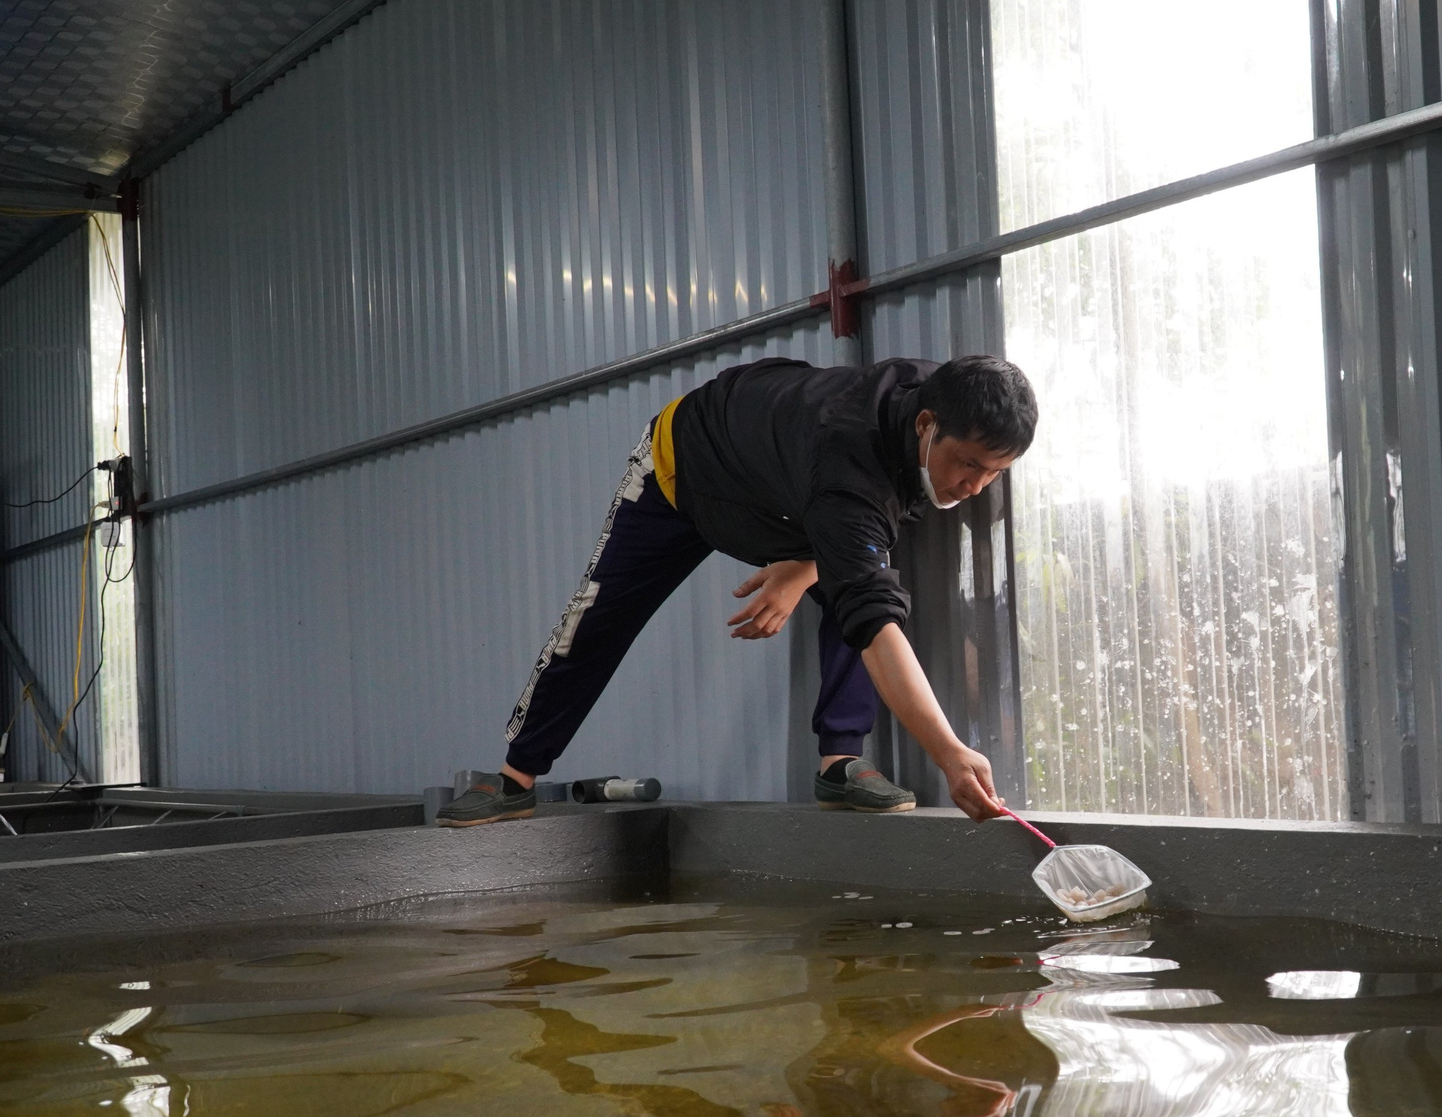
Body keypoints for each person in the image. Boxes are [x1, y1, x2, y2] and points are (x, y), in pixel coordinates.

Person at [436, 354, 1036, 827]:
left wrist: (802, 567)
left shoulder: (937, 402)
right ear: (927, 426)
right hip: (685, 467)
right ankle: (514, 778)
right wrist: (950, 753)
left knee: (857, 584)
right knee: (598, 618)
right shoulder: (851, 459)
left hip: (783, 491)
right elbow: (865, 567)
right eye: (970, 465)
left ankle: (840, 763)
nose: (976, 486)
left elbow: (871, 524)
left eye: (995, 473)